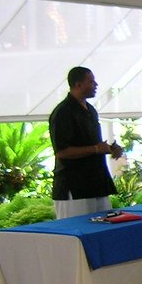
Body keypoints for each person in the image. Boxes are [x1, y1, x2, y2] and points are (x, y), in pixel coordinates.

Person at [48, 66, 123, 219]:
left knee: (103, 228)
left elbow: (91, 143)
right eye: (91, 81)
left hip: (97, 184)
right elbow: (62, 152)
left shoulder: (91, 110)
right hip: (75, 188)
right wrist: (96, 149)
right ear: (78, 84)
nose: (96, 85)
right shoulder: (63, 112)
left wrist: (109, 148)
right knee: (77, 229)